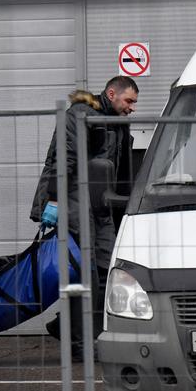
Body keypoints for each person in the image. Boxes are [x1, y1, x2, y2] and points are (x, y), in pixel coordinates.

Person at [30, 76, 139, 361]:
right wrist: (53, 200)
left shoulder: (116, 122)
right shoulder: (80, 115)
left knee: (109, 270)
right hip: (75, 202)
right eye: (129, 101)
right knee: (85, 273)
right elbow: (63, 159)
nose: (132, 108)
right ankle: (79, 344)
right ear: (112, 93)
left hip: (101, 207)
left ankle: (66, 326)